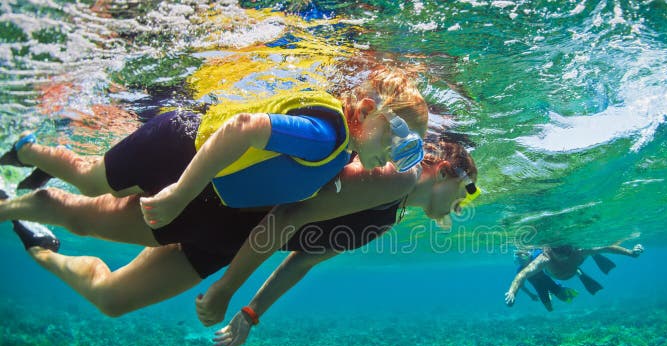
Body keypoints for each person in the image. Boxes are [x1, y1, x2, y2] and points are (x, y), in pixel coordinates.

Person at [0, 136, 479, 333]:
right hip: (216, 208)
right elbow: (285, 220)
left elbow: (304, 256)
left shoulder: (392, 213)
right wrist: (228, 289)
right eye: (468, 189)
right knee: (84, 215)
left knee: (112, 299)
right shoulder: (394, 178)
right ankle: (24, 170)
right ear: (446, 170)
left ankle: (38, 242)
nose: (464, 204)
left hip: (230, 242)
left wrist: (251, 312)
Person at [1, 64, 428, 220]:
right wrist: (180, 195)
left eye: (410, 147)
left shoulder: (343, 150)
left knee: (94, 181)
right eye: (397, 134)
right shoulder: (327, 135)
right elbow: (243, 126)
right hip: (175, 146)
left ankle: (47, 162)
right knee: (91, 182)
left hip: (185, 154)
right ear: (368, 109)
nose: (396, 151)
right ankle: (27, 148)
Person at [504, 243, 644, 308]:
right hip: (562, 271)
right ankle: (581, 268)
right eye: (558, 250)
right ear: (549, 250)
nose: (563, 252)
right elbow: (522, 274)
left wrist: (630, 252)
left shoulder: (577, 251)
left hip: (573, 265)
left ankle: (592, 258)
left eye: (566, 248)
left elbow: (607, 247)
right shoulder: (544, 258)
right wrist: (512, 291)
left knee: (592, 250)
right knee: (589, 253)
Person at [511, 248, 578, 312]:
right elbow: (521, 285)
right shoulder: (520, 270)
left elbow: (547, 253)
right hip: (540, 289)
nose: (521, 261)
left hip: (549, 283)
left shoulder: (536, 257)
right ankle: (555, 290)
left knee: (565, 298)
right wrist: (530, 295)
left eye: (522, 258)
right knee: (550, 309)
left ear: (529, 255)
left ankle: (560, 287)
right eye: (518, 259)